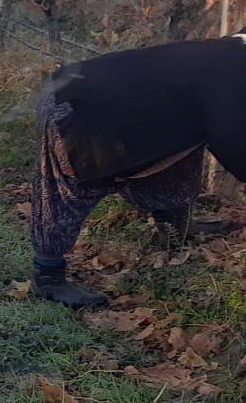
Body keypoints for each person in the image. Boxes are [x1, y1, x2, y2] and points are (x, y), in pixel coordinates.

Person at [28, 39, 244, 309]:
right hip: (78, 107)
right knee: (70, 191)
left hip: (117, 101)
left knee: (178, 158)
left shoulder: (228, 51)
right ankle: (48, 277)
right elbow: (231, 139)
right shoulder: (235, 68)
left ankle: (177, 231)